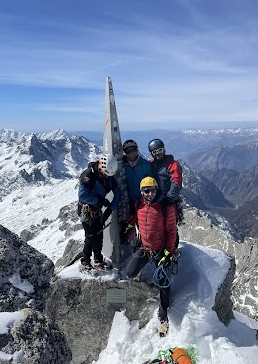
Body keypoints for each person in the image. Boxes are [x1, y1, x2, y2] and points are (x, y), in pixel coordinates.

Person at [124, 177, 178, 333]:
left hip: (161, 250)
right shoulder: (139, 204)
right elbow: (138, 217)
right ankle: (144, 287)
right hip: (146, 248)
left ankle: (163, 314)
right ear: (142, 192)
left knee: (164, 282)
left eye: (152, 190)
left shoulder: (165, 207)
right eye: (146, 191)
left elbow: (171, 231)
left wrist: (167, 253)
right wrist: (128, 225)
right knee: (129, 272)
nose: (149, 194)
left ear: (157, 190)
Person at [78, 154, 121, 268]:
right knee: (91, 235)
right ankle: (86, 260)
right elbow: (82, 195)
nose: (106, 176)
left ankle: (97, 258)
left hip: (97, 211)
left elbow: (118, 193)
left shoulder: (109, 177)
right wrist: (100, 200)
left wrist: (109, 210)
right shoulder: (89, 175)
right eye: (105, 173)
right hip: (86, 211)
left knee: (99, 234)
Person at [148, 138, 182, 247]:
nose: (158, 154)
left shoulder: (172, 164)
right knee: (158, 226)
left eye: (160, 150)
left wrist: (169, 198)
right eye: (155, 152)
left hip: (169, 202)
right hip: (155, 202)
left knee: (170, 228)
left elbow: (176, 183)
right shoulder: (151, 164)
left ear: (164, 149)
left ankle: (173, 250)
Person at [122, 139, 152, 212]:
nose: (131, 153)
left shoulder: (146, 165)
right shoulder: (122, 166)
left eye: (133, 150)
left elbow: (152, 183)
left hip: (143, 201)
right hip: (128, 202)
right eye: (128, 151)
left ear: (137, 150)